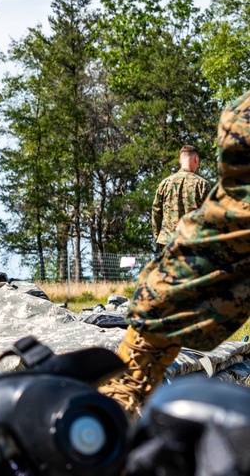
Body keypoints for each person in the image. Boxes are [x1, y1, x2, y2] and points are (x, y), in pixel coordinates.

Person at [100, 91, 250, 415]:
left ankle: (121, 402)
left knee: (166, 289)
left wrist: (159, 235)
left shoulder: (166, 183)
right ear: (194, 160)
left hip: (173, 239)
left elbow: (160, 212)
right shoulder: (201, 182)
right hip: (199, 238)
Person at [151, 144, 211, 249]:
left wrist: (158, 236)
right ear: (196, 159)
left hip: (167, 243)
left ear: (180, 162)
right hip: (192, 244)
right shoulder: (202, 185)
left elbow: (156, 211)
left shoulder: (165, 183)